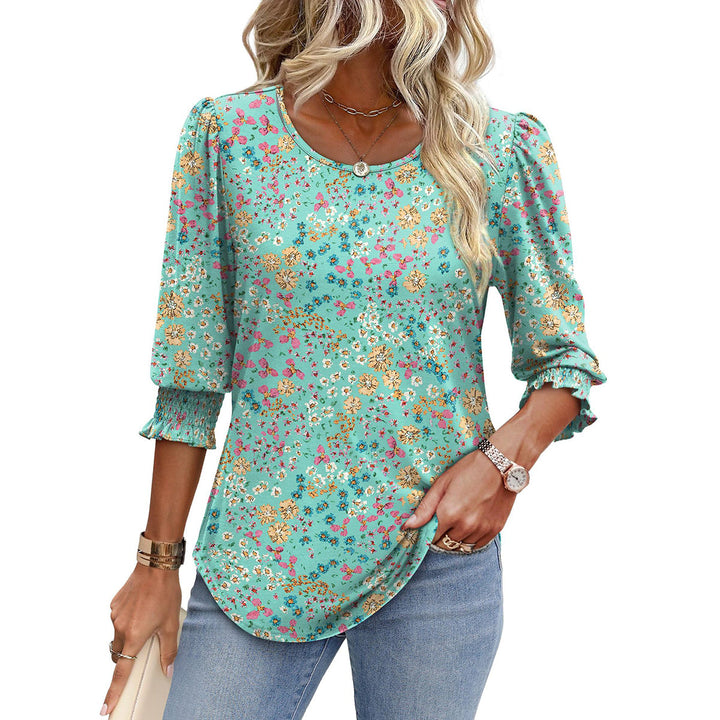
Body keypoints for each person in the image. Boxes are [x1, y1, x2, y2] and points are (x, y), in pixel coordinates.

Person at [102, 1, 607, 718]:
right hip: (258, 558)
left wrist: (502, 466)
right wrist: (156, 564)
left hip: (435, 557)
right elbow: (190, 375)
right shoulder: (228, 137)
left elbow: (564, 360)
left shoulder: (497, 148)